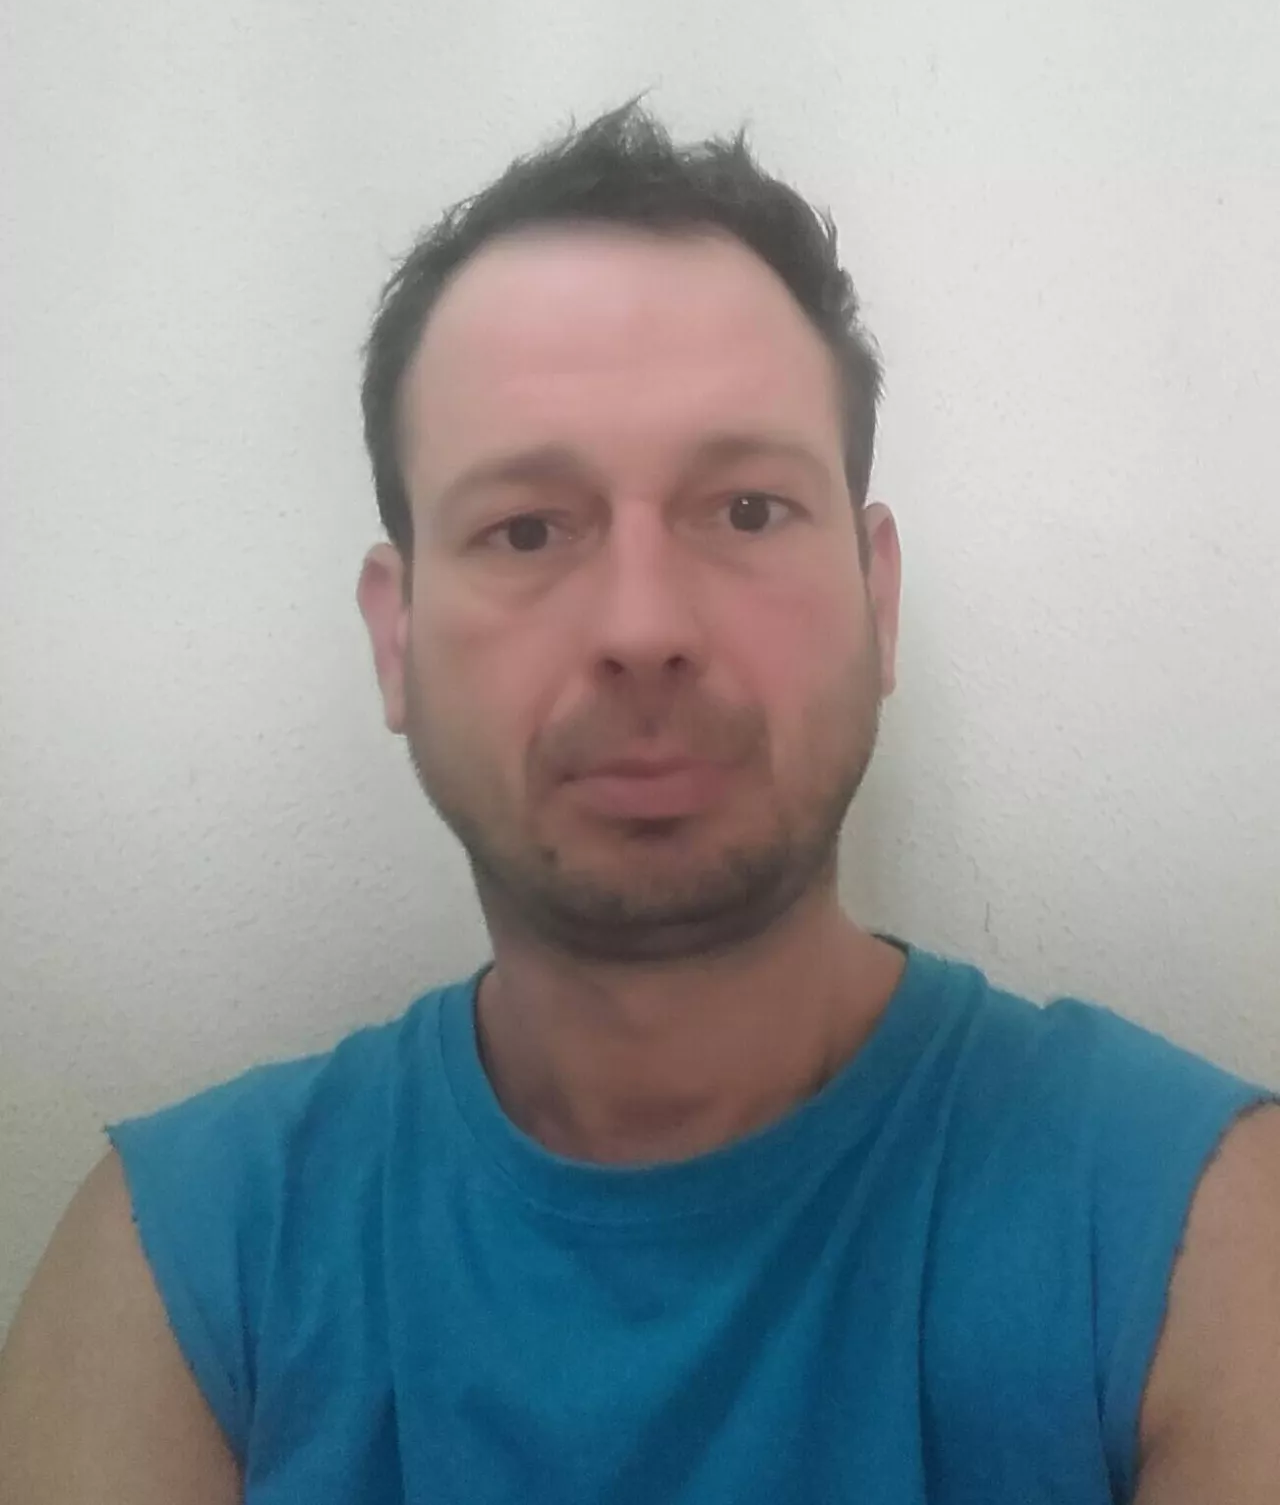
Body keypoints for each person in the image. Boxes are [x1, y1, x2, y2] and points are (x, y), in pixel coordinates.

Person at [1, 101, 1276, 1505]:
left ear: (879, 598)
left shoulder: (1200, 1234)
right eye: (526, 529)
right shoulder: (180, 1268)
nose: (644, 626)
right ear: (395, 637)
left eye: (746, 511)